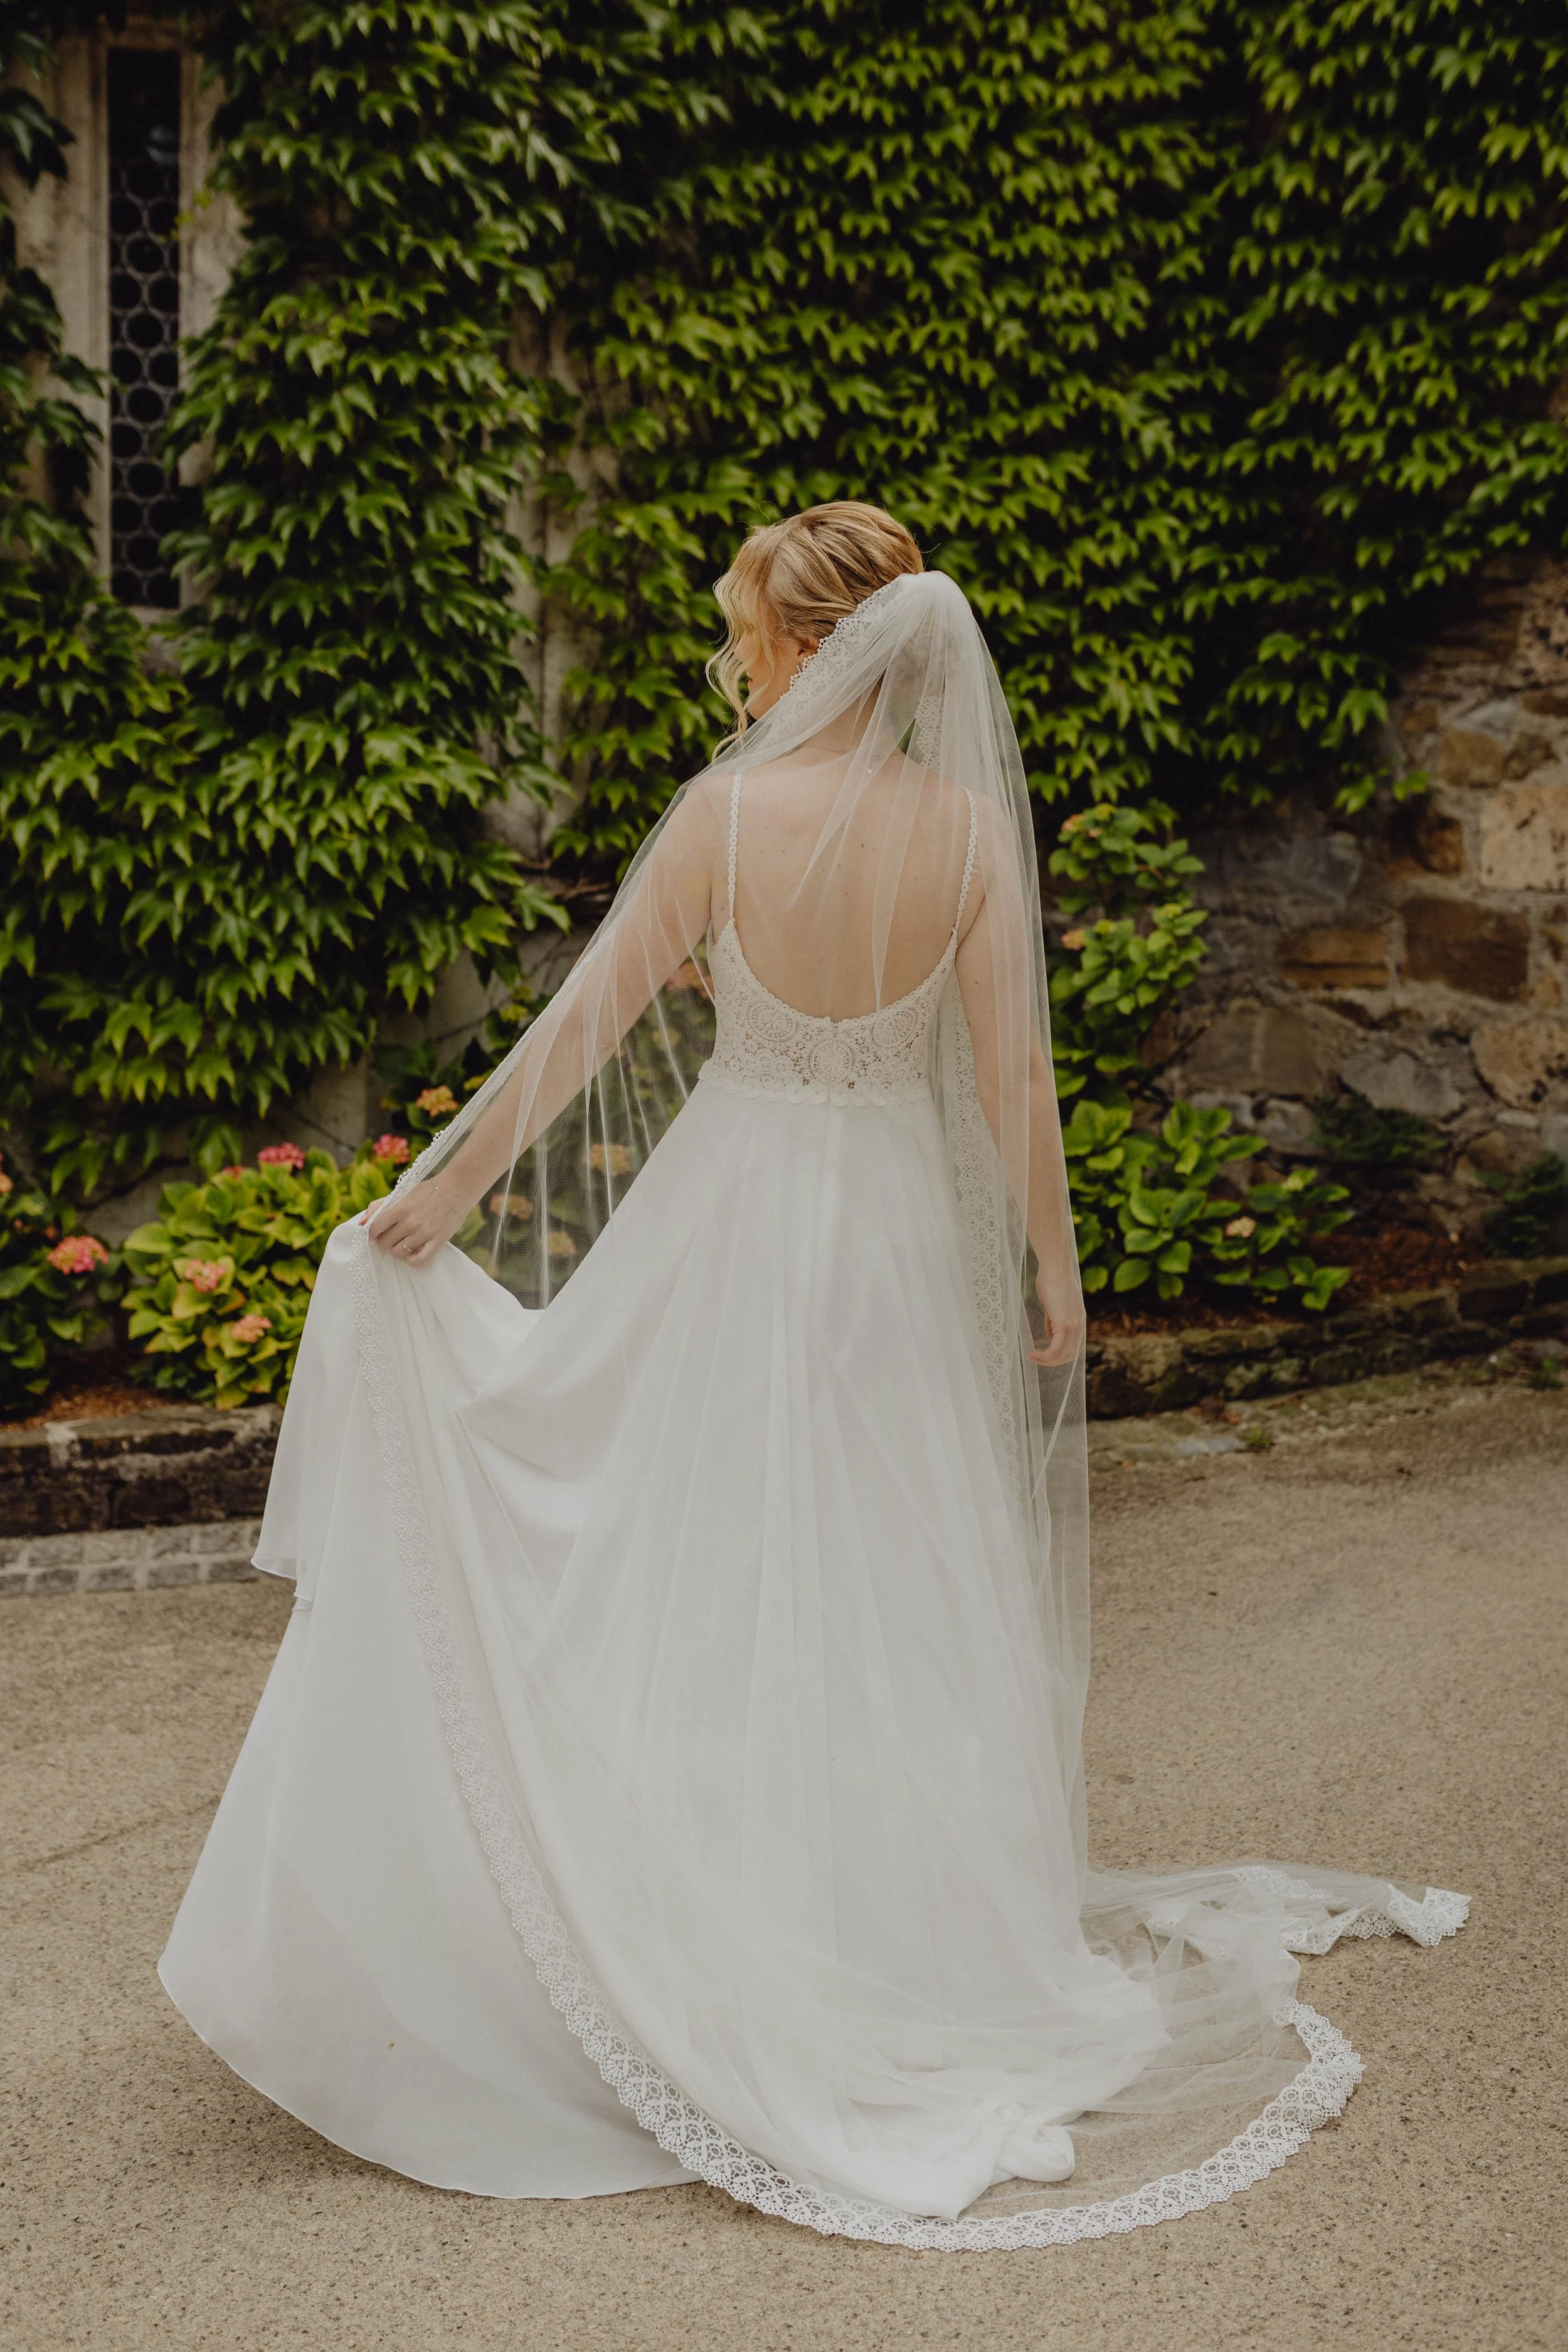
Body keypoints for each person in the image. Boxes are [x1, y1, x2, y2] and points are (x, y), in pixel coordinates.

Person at [161, 502, 1466, 2249]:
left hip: (734, 1215)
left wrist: (438, 1194)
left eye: (750, 635)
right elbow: (1011, 1073)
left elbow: (586, 1029)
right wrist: (1054, 1277)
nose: (740, 661)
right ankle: (881, 1929)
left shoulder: (725, 814)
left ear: (815, 642)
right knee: (884, 1584)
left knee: (680, 1565)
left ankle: (698, 1930)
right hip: (886, 1254)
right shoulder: (960, 832)